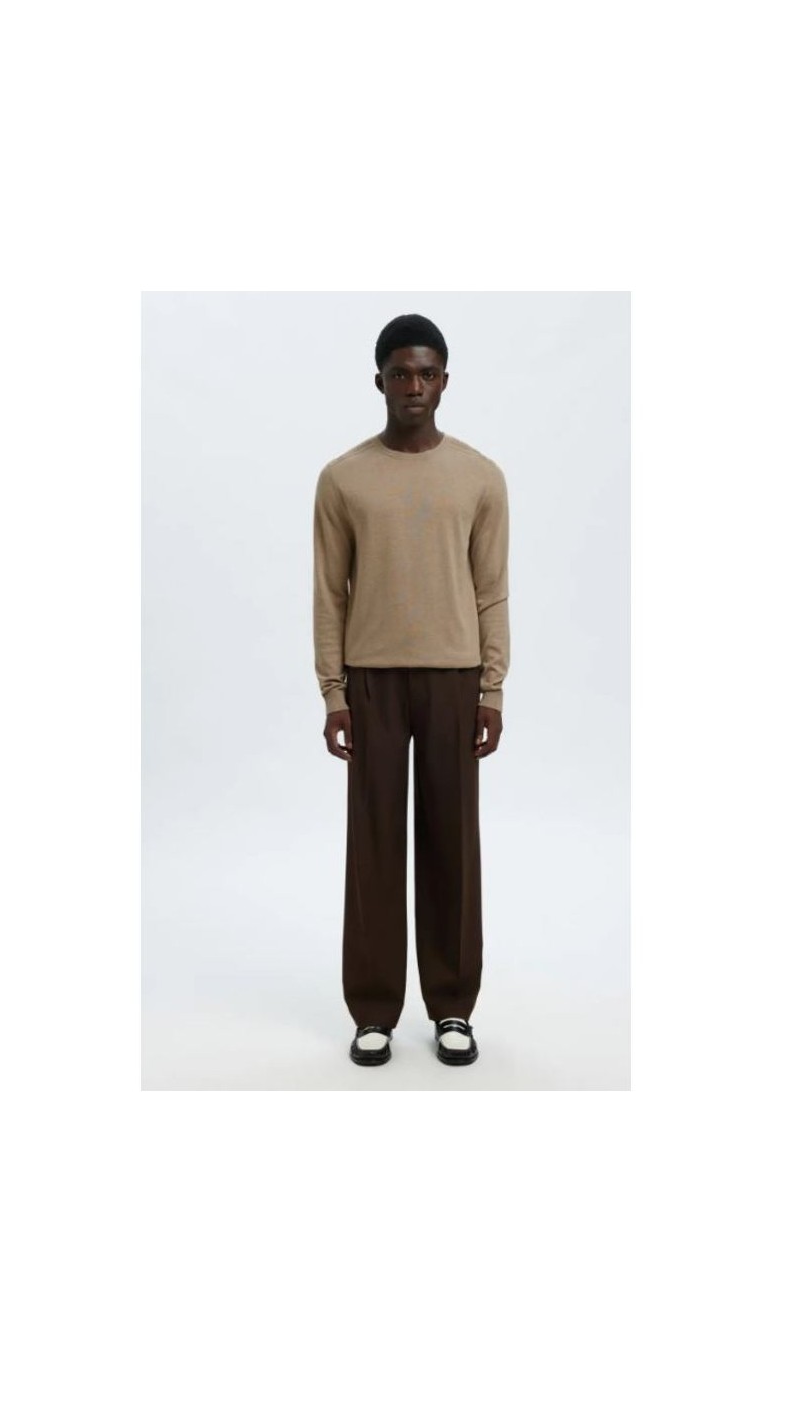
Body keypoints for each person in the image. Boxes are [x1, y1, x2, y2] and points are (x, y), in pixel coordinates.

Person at [313, 313, 510, 1068]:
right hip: (372, 681)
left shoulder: (480, 477)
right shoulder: (343, 479)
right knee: (374, 845)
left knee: (451, 841)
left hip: (455, 679)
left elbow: (491, 590)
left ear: (445, 381)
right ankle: (373, 1010)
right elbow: (329, 593)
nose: (415, 386)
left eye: (427, 373)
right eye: (401, 374)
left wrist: (492, 689)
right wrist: (335, 694)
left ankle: (452, 1004)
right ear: (380, 382)